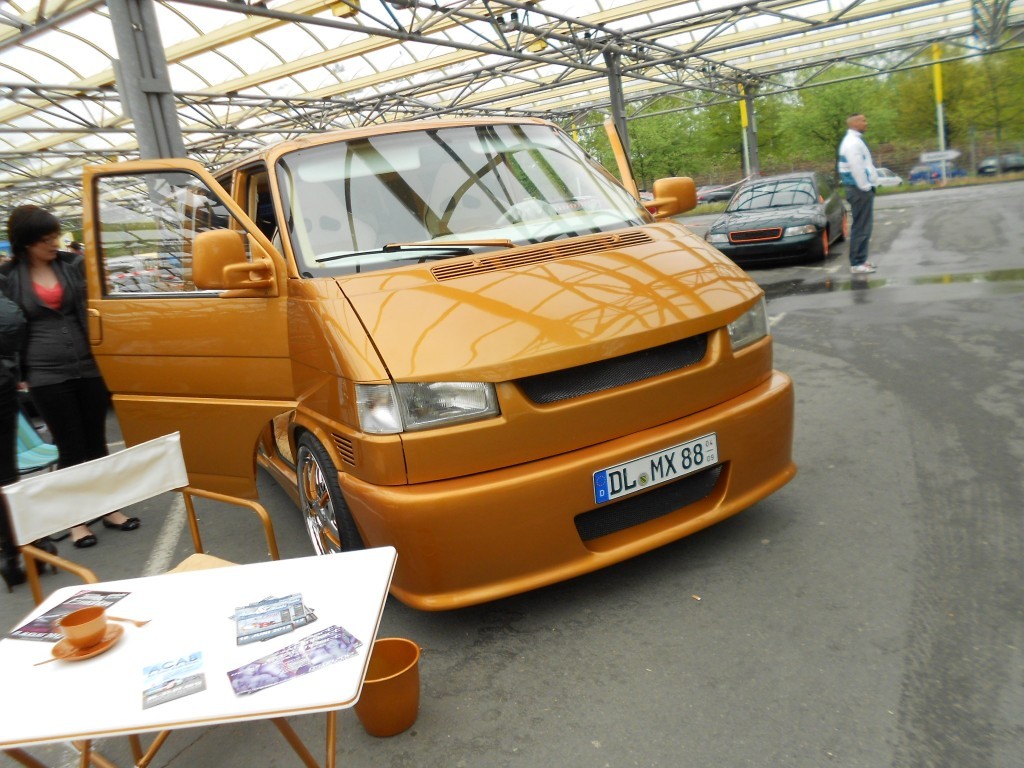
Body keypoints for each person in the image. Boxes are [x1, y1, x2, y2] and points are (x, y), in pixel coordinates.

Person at [2, 206, 139, 548]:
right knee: (69, 446)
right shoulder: (8, 277)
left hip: (88, 366)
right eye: (45, 239)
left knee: (97, 442)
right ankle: (76, 520)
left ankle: (109, 508)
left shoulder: (71, 265)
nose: (54, 243)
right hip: (44, 373)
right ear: (26, 242)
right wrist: (15, 369)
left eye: (55, 236)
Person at [837, 113, 880, 274]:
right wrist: (866, 187)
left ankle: (861, 259)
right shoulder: (852, 143)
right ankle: (857, 263)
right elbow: (857, 168)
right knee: (861, 227)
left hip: (859, 189)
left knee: (863, 226)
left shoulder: (854, 141)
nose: (866, 123)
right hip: (859, 189)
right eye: (863, 120)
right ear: (854, 123)